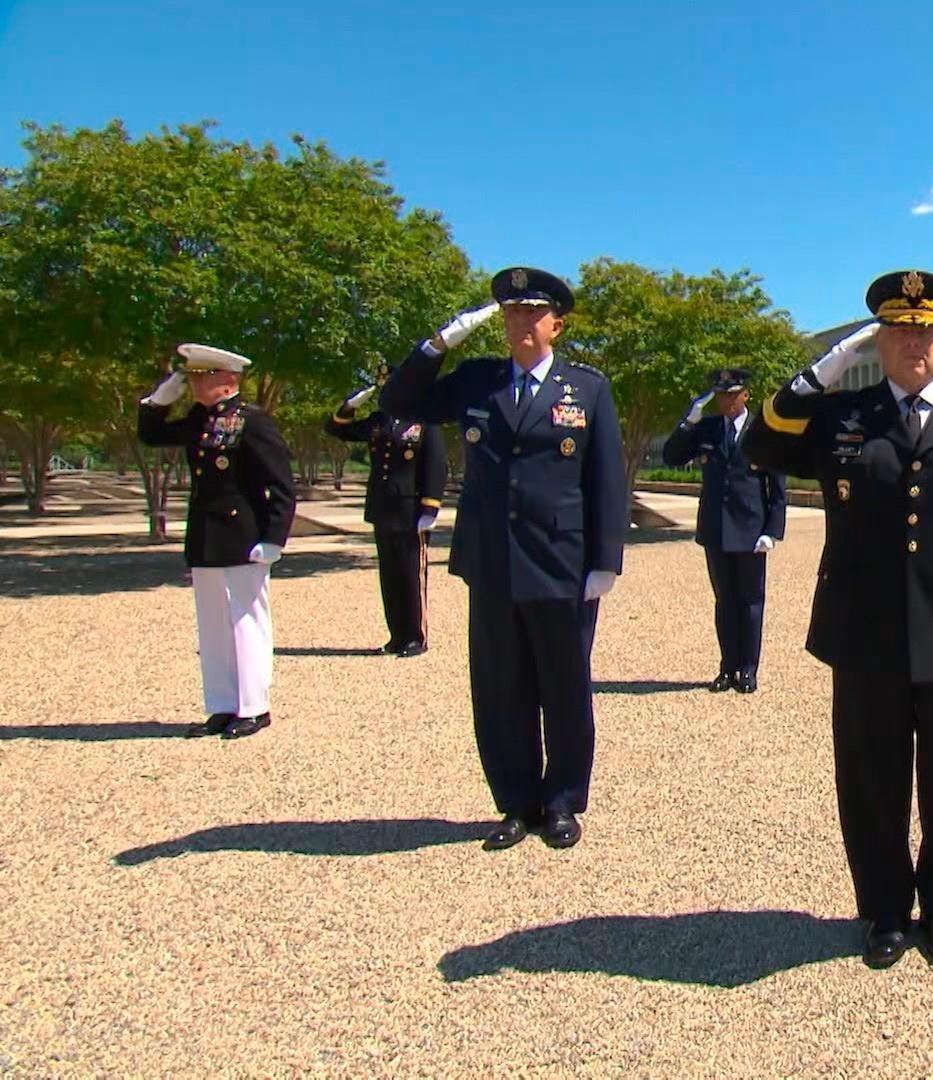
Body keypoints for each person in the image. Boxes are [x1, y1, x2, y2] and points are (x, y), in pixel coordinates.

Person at [741, 269, 933, 971]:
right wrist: (814, 379)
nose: (914, 342)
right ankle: (881, 908)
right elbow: (760, 445)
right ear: (880, 341)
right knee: (871, 777)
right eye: (900, 330)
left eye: (926, 330)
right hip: (865, 625)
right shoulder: (842, 416)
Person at [380, 267, 626, 851]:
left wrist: (605, 560)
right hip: (491, 559)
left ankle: (564, 801)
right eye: (512, 312)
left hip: (560, 561)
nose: (521, 321)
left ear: (556, 324)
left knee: (564, 687)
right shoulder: (476, 382)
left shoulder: (586, 389)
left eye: (533, 312)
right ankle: (515, 802)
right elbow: (398, 399)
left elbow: (606, 478)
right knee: (500, 687)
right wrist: (437, 344)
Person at [137, 343, 297, 739]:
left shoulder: (252, 421)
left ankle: (254, 706)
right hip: (206, 536)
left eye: (200, 376)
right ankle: (223, 705)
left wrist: (275, 537)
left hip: (243, 535)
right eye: (191, 376)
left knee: (247, 622)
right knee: (212, 626)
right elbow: (153, 436)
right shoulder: (199, 419)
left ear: (227, 380)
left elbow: (282, 484)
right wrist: (156, 402)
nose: (192, 383)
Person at [662, 367, 787, 693]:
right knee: (725, 601)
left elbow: (777, 485)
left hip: (750, 529)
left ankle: (748, 668)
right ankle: (727, 667)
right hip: (716, 528)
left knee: (750, 602)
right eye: (720, 395)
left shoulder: (762, 430)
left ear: (745, 395)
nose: (726, 401)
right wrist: (688, 421)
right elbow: (672, 456)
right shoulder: (706, 429)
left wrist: (772, 531)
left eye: (732, 395)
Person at [326, 373, 448, 657]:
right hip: (383, 508)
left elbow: (435, 463)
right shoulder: (379, 421)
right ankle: (397, 635)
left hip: (410, 509)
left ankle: (416, 637)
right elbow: (336, 430)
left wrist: (430, 505)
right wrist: (348, 407)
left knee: (410, 575)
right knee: (390, 576)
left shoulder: (424, 420)